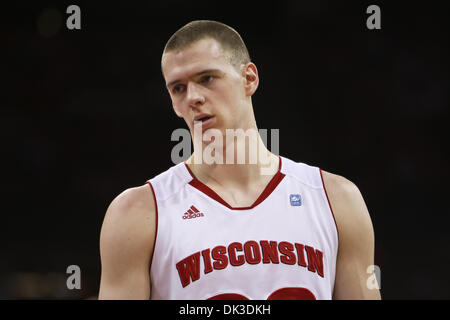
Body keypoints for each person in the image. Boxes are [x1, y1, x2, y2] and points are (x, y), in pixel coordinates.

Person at [98, 20, 381, 300]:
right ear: (173, 102)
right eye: (178, 88)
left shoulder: (336, 199)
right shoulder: (137, 214)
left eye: (206, 78)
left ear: (249, 78)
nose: (193, 97)